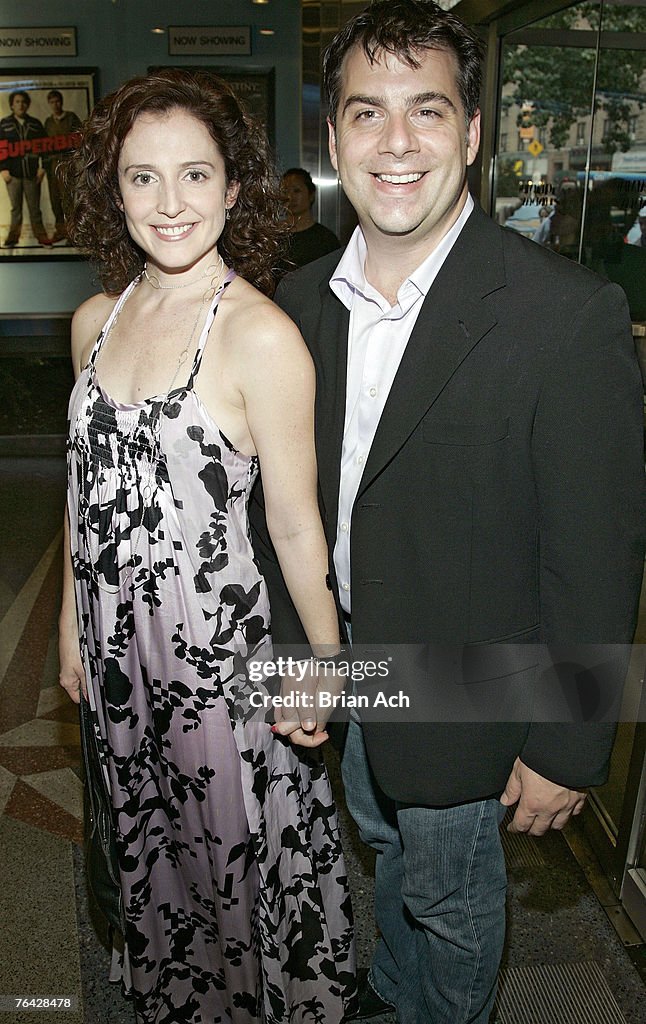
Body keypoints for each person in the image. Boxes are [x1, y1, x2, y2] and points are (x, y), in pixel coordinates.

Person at [252, 2, 646, 1022]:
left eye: (426, 111)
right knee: (383, 847)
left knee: (451, 902)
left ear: (470, 133)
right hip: (354, 674)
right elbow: (279, 506)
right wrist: (301, 650)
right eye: (367, 113)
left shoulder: (565, 315)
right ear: (333, 136)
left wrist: (566, 744)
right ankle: (392, 994)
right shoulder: (297, 303)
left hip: (472, 697)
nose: (396, 143)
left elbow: (594, 555)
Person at [58, 68, 356, 1024]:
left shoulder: (259, 336)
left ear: (234, 188)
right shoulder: (95, 323)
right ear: (114, 193)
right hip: (117, 651)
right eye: (142, 177)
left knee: (227, 853)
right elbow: (82, 494)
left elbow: (297, 523)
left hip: (215, 660)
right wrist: (68, 627)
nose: (169, 202)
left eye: (195, 174)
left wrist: (325, 664)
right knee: (148, 843)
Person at [0, 90, 51, 246]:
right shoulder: (4, 124)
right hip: (12, 175)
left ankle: (41, 236)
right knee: (16, 209)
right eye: (17, 102)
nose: (20, 105)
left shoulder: (35, 124)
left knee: (35, 209)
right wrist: (3, 169)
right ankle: (13, 238)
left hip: (31, 174)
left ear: (27, 105)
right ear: (12, 105)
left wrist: (43, 168)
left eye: (23, 102)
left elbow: (46, 146)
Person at [43, 89, 82, 243]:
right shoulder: (48, 122)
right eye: (52, 102)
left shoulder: (71, 118)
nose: (55, 104)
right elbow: (44, 145)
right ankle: (60, 231)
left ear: (61, 102)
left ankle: (73, 233)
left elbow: (81, 138)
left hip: (67, 163)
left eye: (57, 101)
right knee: (55, 200)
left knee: (68, 199)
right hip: (53, 164)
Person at [281, 167, 340, 267]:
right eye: (285, 191)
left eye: (296, 191)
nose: (290, 197)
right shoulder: (273, 237)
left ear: (311, 195)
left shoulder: (325, 239)